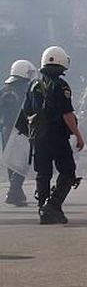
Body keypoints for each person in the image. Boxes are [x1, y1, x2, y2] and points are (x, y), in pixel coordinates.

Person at [19, 46, 85, 225]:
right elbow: (67, 113)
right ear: (62, 62)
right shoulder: (61, 85)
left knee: (43, 173)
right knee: (68, 171)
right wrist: (78, 135)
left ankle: (43, 210)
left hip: (38, 137)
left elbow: (26, 111)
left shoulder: (33, 84)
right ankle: (53, 205)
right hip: (57, 136)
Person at [1, 60, 36, 206]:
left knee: (10, 160)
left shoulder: (4, 89)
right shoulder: (27, 89)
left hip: (5, 129)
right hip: (22, 128)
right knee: (22, 161)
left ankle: (17, 191)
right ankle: (13, 192)